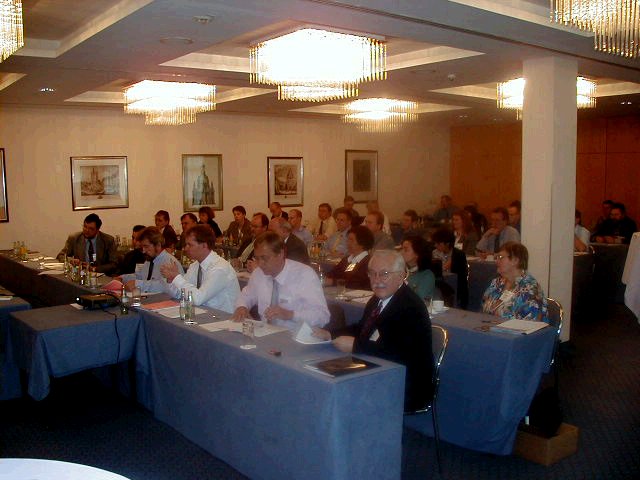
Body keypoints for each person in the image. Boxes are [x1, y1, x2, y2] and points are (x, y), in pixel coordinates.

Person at [313, 250, 434, 412]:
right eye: (372, 274)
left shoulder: (410, 307)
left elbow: (398, 352)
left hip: (406, 382)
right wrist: (330, 334)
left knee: (338, 387)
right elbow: (362, 328)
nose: (377, 280)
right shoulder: (378, 298)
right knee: (320, 372)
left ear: (400, 276)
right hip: (379, 368)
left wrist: (356, 346)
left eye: (384, 274)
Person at [232, 231, 330, 331]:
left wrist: (290, 314)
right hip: (266, 333)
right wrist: (242, 307)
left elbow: (323, 317)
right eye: (257, 258)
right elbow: (247, 295)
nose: (260, 263)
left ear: (280, 254)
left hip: (296, 335)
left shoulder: (304, 275)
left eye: (264, 258)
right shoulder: (259, 273)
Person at [161, 225, 240, 313]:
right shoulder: (195, 265)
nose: (185, 248)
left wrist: (176, 277)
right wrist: (171, 279)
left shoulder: (220, 268)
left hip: (225, 318)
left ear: (204, 245)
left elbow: (198, 299)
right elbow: (179, 294)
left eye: (190, 245)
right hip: (207, 314)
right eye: (186, 244)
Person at [482, 242, 548, 322]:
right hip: (490, 327)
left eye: (500, 257)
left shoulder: (530, 289)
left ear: (515, 260)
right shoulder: (496, 283)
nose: (496, 261)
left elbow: (531, 325)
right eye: (496, 257)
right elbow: (483, 309)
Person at [117, 227, 183, 293]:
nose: (143, 251)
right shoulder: (149, 260)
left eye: (146, 246)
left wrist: (138, 284)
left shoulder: (169, 262)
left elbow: (165, 286)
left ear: (158, 245)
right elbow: (140, 276)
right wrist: (122, 278)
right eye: (142, 247)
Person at [326, 225, 374, 290]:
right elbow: (332, 274)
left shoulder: (368, 263)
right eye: (348, 239)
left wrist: (333, 282)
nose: (348, 242)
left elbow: (355, 284)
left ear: (362, 242)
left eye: (351, 240)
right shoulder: (347, 259)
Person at [432, 228, 469, 309]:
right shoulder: (434, 253)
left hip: (455, 287)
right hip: (439, 283)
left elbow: (462, 277)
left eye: (438, 244)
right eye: (435, 243)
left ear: (447, 244)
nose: (436, 246)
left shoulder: (459, 255)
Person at [401, 235, 436, 302]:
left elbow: (417, 300)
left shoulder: (427, 275)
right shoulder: (401, 271)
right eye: (401, 249)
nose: (401, 252)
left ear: (417, 254)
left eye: (405, 250)